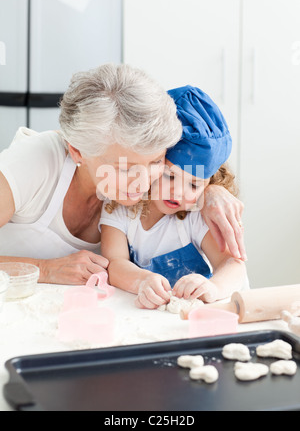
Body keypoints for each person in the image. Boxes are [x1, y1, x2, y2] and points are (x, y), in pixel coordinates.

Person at [0, 64, 246, 285]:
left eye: (155, 161)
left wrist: (212, 187)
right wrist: (44, 270)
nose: (143, 181)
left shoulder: (151, 194)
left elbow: (192, 159)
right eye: (125, 168)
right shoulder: (34, 162)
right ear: (77, 151)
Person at [100, 86, 248, 309]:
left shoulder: (197, 215)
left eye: (194, 184)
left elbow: (232, 264)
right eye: (170, 176)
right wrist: (142, 280)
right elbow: (115, 263)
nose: (178, 192)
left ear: (210, 182)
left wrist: (213, 288)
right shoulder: (120, 208)